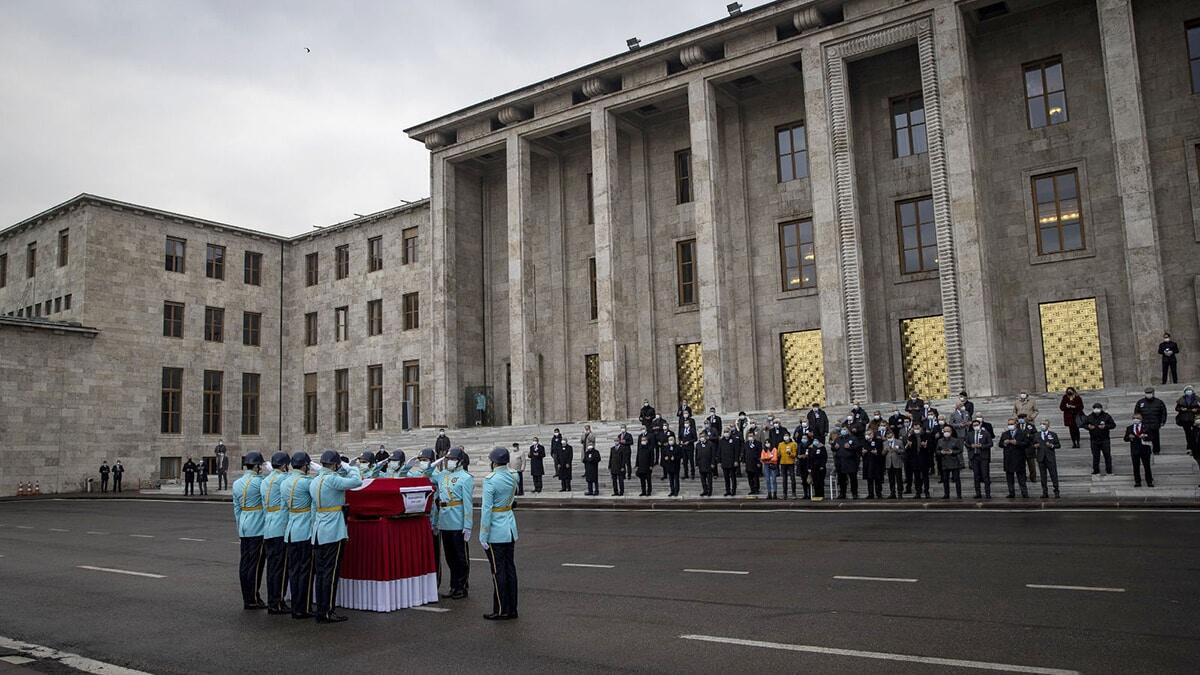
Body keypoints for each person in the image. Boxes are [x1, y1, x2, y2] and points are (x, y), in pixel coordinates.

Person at [310, 449, 363, 623]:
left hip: (318, 530)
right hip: (333, 530)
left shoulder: (315, 481)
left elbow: (313, 509)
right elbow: (357, 481)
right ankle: (328, 611)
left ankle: (321, 610)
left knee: (321, 573)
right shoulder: (332, 479)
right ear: (335, 464)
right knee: (331, 574)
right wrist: (349, 467)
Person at [480, 447, 519, 620]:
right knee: (510, 569)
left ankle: (501, 609)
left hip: (496, 530)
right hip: (509, 527)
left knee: (498, 571)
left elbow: (486, 510)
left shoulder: (491, 480)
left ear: (494, 462)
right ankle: (512, 608)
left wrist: (483, 534)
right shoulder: (513, 476)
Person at [281, 452, 315, 619]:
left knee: (293, 570)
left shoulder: (285, 482)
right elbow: (315, 504)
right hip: (304, 529)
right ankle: (303, 607)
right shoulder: (307, 482)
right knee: (305, 571)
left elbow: (284, 509)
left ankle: (295, 606)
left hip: (291, 529)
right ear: (305, 466)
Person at [437, 447, 474, 600]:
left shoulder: (466, 477)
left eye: (452, 459)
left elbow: (468, 503)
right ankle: (453, 586)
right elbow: (426, 474)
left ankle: (462, 586)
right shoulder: (442, 475)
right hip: (444, 520)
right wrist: (437, 461)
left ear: (460, 461)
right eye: (448, 459)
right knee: (450, 557)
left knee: (460, 557)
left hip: (458, 520)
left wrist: (468, 525)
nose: (449, 462)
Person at [232, 452, 267, 610]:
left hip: (244, 526)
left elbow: (237, 509)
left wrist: (240, 527)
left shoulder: (237, 483)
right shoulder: (260, 482)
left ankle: (247, 596)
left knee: (245, 563)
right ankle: (253, 597)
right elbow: (266, 505)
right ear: (257, 466)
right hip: (257, 526)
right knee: (256, 564)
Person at [260, 452, 292, 615]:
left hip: (269, 525)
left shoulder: (265, 481)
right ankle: (278, 602)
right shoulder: (285, 479)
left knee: (272, 567)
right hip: (281, 526)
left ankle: (272, 600)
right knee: (281, 567)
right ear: (285, 465)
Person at [1000, 418, 1030, 498]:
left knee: (1021, 478)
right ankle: (1011, 493)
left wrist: (1017, 443)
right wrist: (1004, 443)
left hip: (1019, 458)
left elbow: (1027, 443)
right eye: (1009, 424)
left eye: (1011, 424)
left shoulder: (1022, 433)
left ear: (1016, 424)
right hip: (1008, 459)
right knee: (1009, 478)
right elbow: (1000, 444)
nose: (1010, 425)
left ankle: (1024, 493)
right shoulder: (1005, 434)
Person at [1083, 402, 1116, 475]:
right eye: (1095, 408)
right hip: (1094, 440)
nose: (1096, 410)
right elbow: (1084, 424)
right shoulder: (1090, 417)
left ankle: (1109, 470)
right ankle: (1096, 470)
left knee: (1107, 455)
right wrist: (1088, 427)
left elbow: (1113, 425)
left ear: (1101, 409)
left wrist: (1105, 426)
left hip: (1105, 439)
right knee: (1095, 456)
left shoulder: (1106, 416)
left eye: (1098, 408)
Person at [966, 417, 994, 499]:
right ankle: (978, 493)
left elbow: (990, 444)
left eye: (977, 425)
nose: (976, 426)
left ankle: (988, 493)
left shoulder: (986, 433)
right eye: (974, 425)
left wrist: (981, 446)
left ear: (980, 425)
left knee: (985, 475)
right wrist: (971, 446)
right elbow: (966, 443)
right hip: (974, 457)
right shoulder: (970, 434)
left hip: (983, 457)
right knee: (976, 476)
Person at [1134, 387, 1167, 455]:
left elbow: (1163, 413)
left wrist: (1162, 421)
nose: (1148, 394)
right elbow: (1136, 412)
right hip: (1144, 424)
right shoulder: (1140, 402)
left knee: (1155, 438)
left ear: (1153, 393)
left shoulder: (1159, 402)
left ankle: (1156, 451)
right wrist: (1137, 421)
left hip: (1155, 423)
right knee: (1145, 438)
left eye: (1150, 393)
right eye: (1147, 393)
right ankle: (1146, 451)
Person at [1124, 414, 1154, 487]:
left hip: (1145, 449)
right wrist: (1129, 437)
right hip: (1135, 449)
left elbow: (1151, 437)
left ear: (1141, 419)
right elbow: (1125, 438)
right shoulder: (1129, 428)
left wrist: (1145, 436)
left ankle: (1149, 481)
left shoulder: (1146, 427)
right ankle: (1137, 482)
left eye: (1137, 418)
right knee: (1136, 467)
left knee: (1147, 466)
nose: (1135, 419)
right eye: (1134, 418)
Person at [936, 426, 964, 499]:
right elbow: (937, 451)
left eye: (948, 431)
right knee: (945, 480)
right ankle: (946, 494)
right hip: (944, 462)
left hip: (954, 462)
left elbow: (960, 450)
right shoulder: (940, 441)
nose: (946, 433)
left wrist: (952, 452)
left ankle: (959, 495)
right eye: (945, 431)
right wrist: (941, 452)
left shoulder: (956, 440)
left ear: (951, 432)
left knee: (957, 479)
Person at [1035, 422, 1061, 498]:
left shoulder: (1053, 434)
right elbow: (1033, 444)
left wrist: (1052, 445)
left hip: (1050, 458)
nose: (1042, 425)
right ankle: (1045, 492)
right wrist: (1035, 446)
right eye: (1041, 424)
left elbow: (1058, 445)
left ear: (1048, 425)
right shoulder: (1036, 435)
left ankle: (1056, 491)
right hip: (1041, 458)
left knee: (1053, 475)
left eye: (1044, 424)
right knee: (1043, 476)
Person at [833, 427, 860, 499]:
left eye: (845, 429)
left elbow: (858, 447)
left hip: (851, 462)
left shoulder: (853, 438)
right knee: (842, 479)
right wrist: (834, 447)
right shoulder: (838, 439)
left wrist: (850, 447)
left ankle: (854, 493)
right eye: (842, 429)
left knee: (853, 479)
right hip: (840, 462)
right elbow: (833, 448)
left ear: (848, 431)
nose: (843, 431)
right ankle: (842, 493)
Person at [1177, 386, 1200, 460]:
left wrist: (1196, 410)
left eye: (1190, 390)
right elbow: (1177, 408)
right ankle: (1189, 447)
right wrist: (1181, 409)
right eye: (1187, 390)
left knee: (1195, 434)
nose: (1189, 391)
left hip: (1195, 419)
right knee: (1188, 434)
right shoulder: (1181, 399)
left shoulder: (1197, 398)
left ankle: (1194, 447)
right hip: (1185, 419)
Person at [862, 427, 884, 499]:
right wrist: (862, 452)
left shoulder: (878, 441)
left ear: (872, 434)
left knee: (878, 479)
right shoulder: (864, 441)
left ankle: (879, 493)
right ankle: (870, 494)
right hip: (867, 463)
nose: (867, 435)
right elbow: (860, 451)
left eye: (869, 434)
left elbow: (881, 451)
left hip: (876, 463)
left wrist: (877, 452)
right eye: (866, 434)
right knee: (869, 479)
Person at [910, 425, 931, 499]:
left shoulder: (926, 436)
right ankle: (918, 492)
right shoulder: (911, 437)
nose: (916, 430)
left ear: (921, 428)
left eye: (918, 428)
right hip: (915, 460)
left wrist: (926, 446)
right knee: (916, 477)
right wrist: (909, 446)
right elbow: (908, 450)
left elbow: (931, 447)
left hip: (924, 459)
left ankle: (926, 492)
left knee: (925, 477)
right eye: (915, 428)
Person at [1016, 415, 1038, 482]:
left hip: (1029, 448)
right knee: (1021, 465)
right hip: (1020, 448)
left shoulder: (1031, 426)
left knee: (1032, 465)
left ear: (1025, 418)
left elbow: (1036, 435)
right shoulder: (1016, 426)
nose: (1021, 419)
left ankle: (1033, 477)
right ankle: (1023, 477)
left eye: (1022, 418)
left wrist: (1029, 435)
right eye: (1019, 418)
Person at [719, 428, 740, 496]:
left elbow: (737, 451)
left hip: (732, 462)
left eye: (727, 432)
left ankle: (733, 490)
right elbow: (719, 451)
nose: (726, 433)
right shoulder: (721, 440)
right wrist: (720, 461)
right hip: (724, 462)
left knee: (733, 477)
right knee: (726, 478)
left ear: (730, 432)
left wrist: (736, 460)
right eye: (725, 432)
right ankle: (727, 491)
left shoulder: (734, 440)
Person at [806, 436, 827, 501]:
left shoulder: (822, 447)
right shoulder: (810, 448)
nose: (815, 442)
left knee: (820, 481)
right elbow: (809, 458)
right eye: (814, 440)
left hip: (820, 467)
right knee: (815, 482)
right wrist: (809, 467)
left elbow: (824, 457)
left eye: (816, 440)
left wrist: (822, 465)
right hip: (813, 467)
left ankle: (821, 494)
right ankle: (817, 494)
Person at [884, 431, 904, 499]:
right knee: (891, 479)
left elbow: (903, 451)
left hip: (897, 463)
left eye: (890, 436)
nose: (889, 437)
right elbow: (883, 453)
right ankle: (892, 493)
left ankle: (900, 493)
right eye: (888, 436)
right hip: (889, 463)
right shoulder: (885, 443)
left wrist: (897, 450)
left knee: (899, 479)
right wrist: (885, 450)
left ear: (893, 435)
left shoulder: (899, 442)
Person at [696, 432, 717, 497]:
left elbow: (713, 455)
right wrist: (697, 463)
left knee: (709, 479)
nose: (701, 438)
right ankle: (705, 490)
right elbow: (696, 454)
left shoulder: (710, 444)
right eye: (700, 437)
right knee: (703, 479)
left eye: (702, 436)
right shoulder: (698, 445)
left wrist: (713, 463)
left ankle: (709, 491)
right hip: (701, 464)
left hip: (708, 464)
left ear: (705, 437)